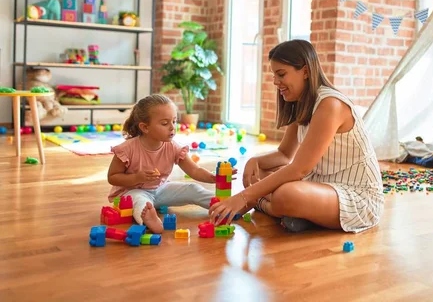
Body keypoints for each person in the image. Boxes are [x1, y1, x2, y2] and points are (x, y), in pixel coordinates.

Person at [209, 40, 384, 233]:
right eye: (274, 75)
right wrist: (255, 161)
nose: (276, 82)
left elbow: (299, 169)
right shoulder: (301, 102)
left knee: (287, 194)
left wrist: (244, 197)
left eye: (281, 74)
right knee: (264, 172)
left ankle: (272, 207)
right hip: (320, 184)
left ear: (306, 71)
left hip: (357, 197)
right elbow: (284, 154)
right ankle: (295, 214)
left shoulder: (330, 105)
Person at [106, 94, 235, 233]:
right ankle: (148, 217)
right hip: (130, 191)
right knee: (139, 199)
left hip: (160, 190)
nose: (172, 127)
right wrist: (137, 178)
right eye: (165, 123)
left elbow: (195, 170)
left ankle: (226, 207)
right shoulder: (127, 149)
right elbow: (112, 177)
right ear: (145, 127)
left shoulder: (173, 147)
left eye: (174, 121)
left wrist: (212, 177)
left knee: (193, 189)